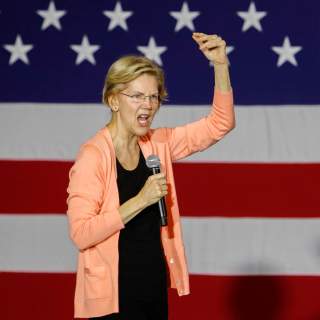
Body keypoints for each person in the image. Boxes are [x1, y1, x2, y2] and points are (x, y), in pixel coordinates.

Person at [66, 32, 235, 320]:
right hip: (111, 298)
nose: (148, 104)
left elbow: (220, 123)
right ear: (114, 101)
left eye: (154, 96)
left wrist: (220, 64)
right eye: (137, 96)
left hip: (152, 286)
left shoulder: (158, 144)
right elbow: (81, 234)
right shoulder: (93, 156)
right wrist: (141, 200)